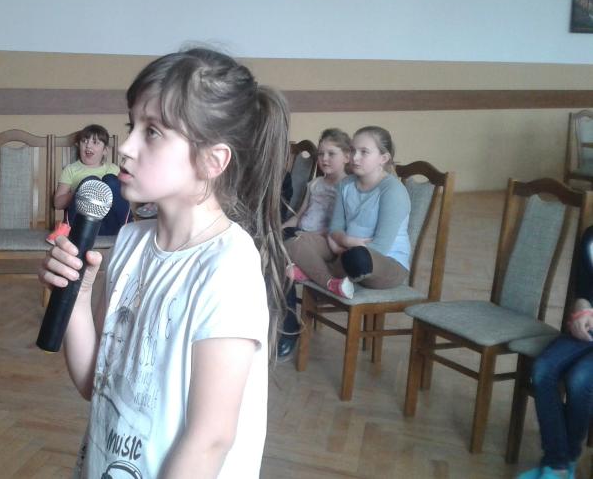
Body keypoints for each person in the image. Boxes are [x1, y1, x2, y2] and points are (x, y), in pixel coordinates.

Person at [38, 48, 289, 478]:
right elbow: (94, 384)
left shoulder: (227, 266)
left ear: (213, 160)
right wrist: (77, 294)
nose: (126, 147)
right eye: (131, 126)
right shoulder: (131, 242)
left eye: (152, 131)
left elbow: (210, 440)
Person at [287, 125, 410, 300]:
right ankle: (331, 282)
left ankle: (315, 272)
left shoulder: (392, 190)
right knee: (293, 243)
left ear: (383, 158)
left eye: (364, 152)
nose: (355, 157)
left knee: (357, 259)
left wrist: (341, 251)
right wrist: (345, 241)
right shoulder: (346, 184)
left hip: (384, 262)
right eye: (353, 150)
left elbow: (381, 247)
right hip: (344, 247)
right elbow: (335, 229)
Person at [517, 226, 593, 479]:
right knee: (543, 369)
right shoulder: (591, 237)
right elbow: (583, 291)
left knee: (580, 379)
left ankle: (560, 464)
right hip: (587, 332)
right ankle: (560, 464)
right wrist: (582, 311)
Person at [277, 128, 351, 358]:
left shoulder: (348, 187)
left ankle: (289, 330)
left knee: (281, 259)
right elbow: (299, 216)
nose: (324, 159)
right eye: (321, 154)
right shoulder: (316, 184)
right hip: (301, 233)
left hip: (323, 241)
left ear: (346, 156)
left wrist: (302, 235)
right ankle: (272, 321)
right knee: (271, 247)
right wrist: (279, 229)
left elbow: (339, 227)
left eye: (331, 154)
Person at [47, 124, 131, 244]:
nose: (88, 145)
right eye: (84, 141)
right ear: (78, 146)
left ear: (105, 151)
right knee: (90, 181)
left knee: (111, 180)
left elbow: (125, 198)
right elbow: (58, 203)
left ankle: (128, 227)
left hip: (112, 226)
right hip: (82, 228)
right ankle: (66, 229)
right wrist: (80, 191)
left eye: (95, 142)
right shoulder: (71, 169)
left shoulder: (113, 169)